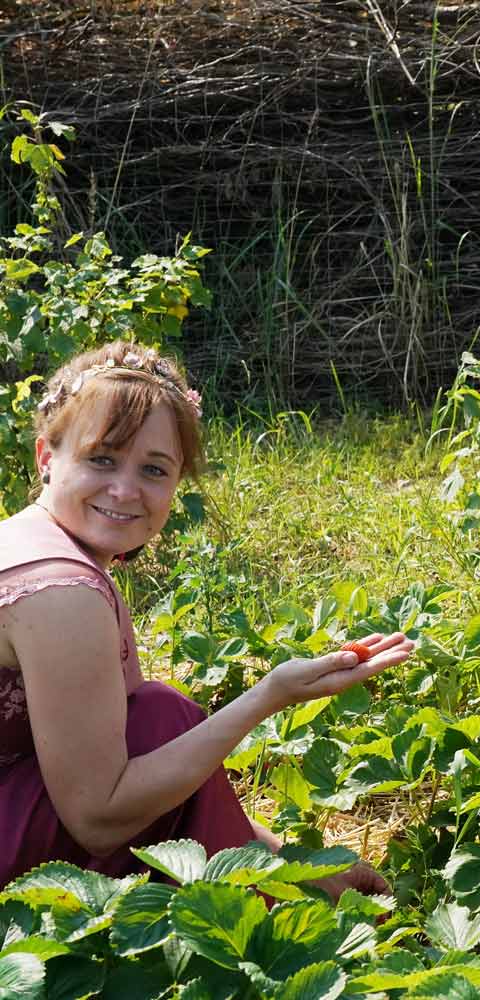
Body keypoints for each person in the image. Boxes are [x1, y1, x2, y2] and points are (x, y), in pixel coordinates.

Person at [0, 341, 414, 892]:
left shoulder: (32, 542)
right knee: (162, 720)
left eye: (154, 468)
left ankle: (278, 884)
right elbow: (97, 818)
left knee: (157, 720)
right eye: (101, 459)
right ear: (47, 459)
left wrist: (279, 855)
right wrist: (268, 696)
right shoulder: (61, 590)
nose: (125, 489)